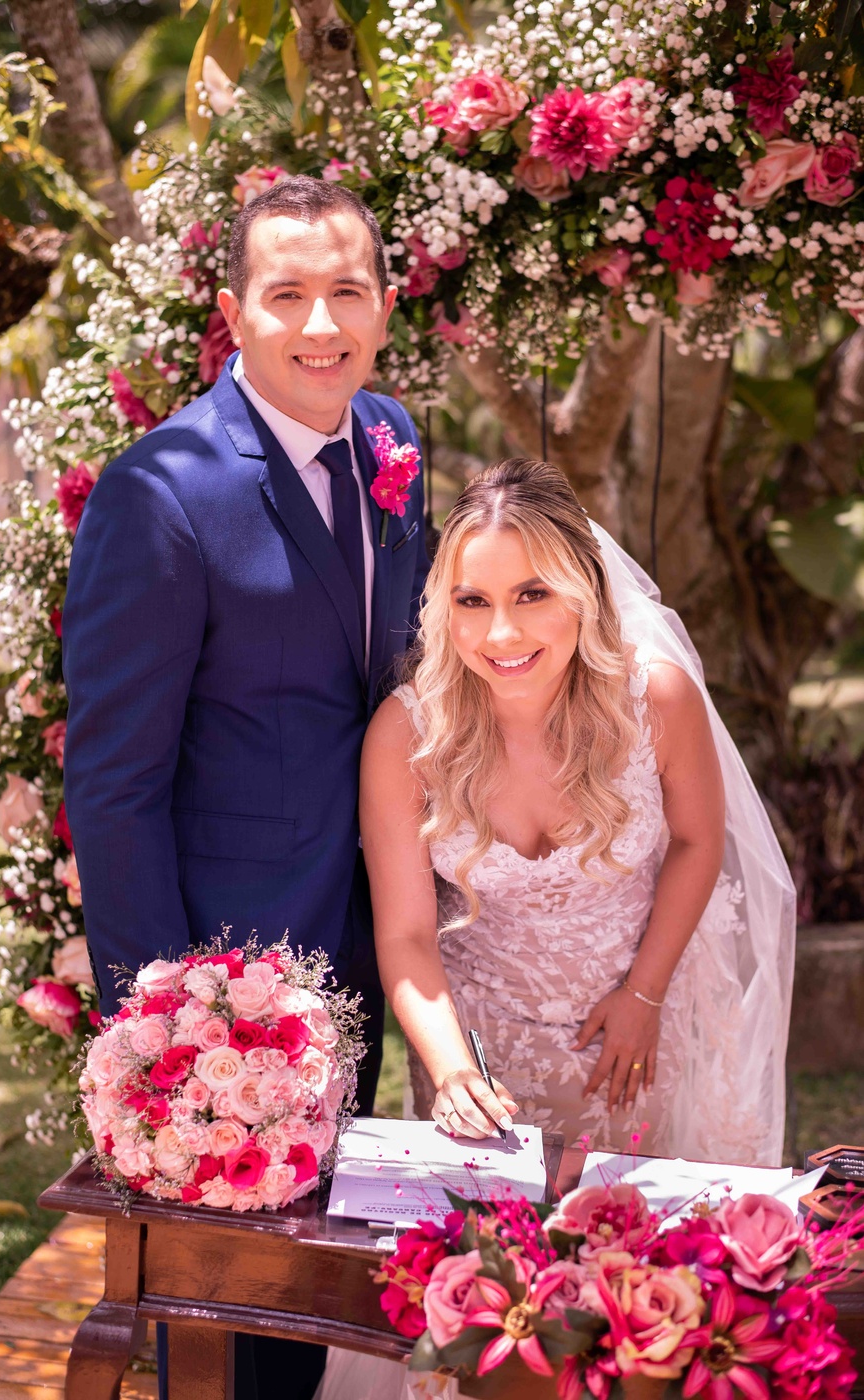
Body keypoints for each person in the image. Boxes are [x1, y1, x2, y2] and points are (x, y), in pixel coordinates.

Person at [315, 455, 795, 1400]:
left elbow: (697, 842)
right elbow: (405, 936)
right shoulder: (405, 736)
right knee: (495, 1319)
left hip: (642, 1026)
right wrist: (452, 1069)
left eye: (531, 594)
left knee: (649, 1307)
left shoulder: (656, 701)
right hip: (482, 1049)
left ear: (583, 591)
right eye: (472, 601)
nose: (501, 633)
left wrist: (643, 995)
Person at [62, 176, 430, 1400]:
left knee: (323, 1303)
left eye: (347, 290)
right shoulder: (161, 491)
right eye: (287, 294)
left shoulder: (392, 441)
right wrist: (162, 1037)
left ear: (384, 303)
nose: (321, 323)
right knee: (232, 1331)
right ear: (232, 312)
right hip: (229, 993)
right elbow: (113, 784)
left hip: (365, 942)